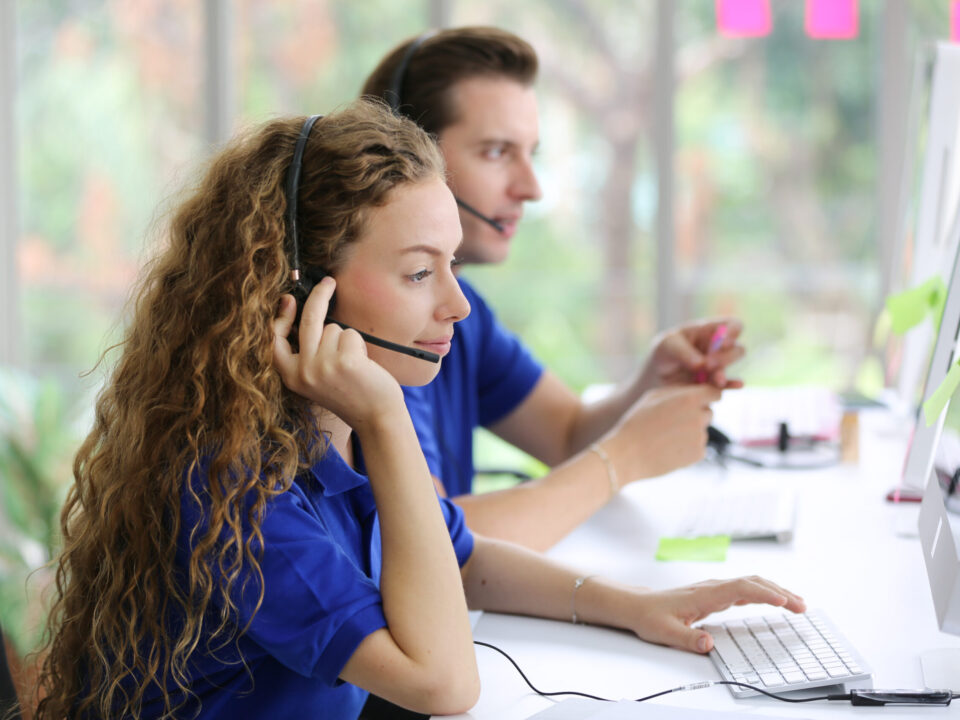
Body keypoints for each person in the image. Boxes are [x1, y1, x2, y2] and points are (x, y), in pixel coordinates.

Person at [34, 99, 803, 720]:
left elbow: (462, 559)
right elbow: (443, 686)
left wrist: (630, 607)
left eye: (452, 264)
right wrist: (388, 421)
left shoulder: (337, 427)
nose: (457, 304)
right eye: (416, 274)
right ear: (302, 297)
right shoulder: (235, 492)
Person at [362, 27, 746, 551]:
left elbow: (565, 434)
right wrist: (623, 459)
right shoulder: (374, 331)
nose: (531, 188)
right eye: (497, 152)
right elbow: (430, 545)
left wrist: (649, 383)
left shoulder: (461, 314)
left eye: (530, 154)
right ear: (405, 155)